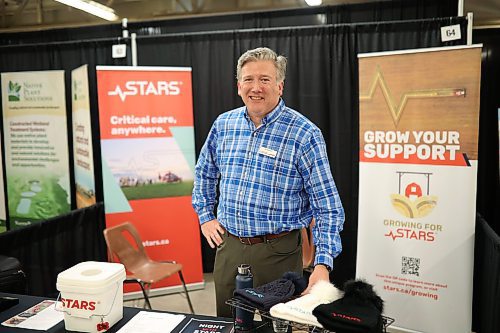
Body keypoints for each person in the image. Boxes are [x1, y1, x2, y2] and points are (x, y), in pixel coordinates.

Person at [192, 47, 344, 318]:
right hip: (229, 248)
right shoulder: (223, 125)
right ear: (239, 86)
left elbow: (328, 207)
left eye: (265, 79)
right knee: (228, 322)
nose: (256, 87)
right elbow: (204, 174)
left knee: (274, 325)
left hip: (279, 253)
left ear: (280, 86)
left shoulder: (304, 134)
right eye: (249, 79)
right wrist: (205, 216)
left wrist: (322, 264)